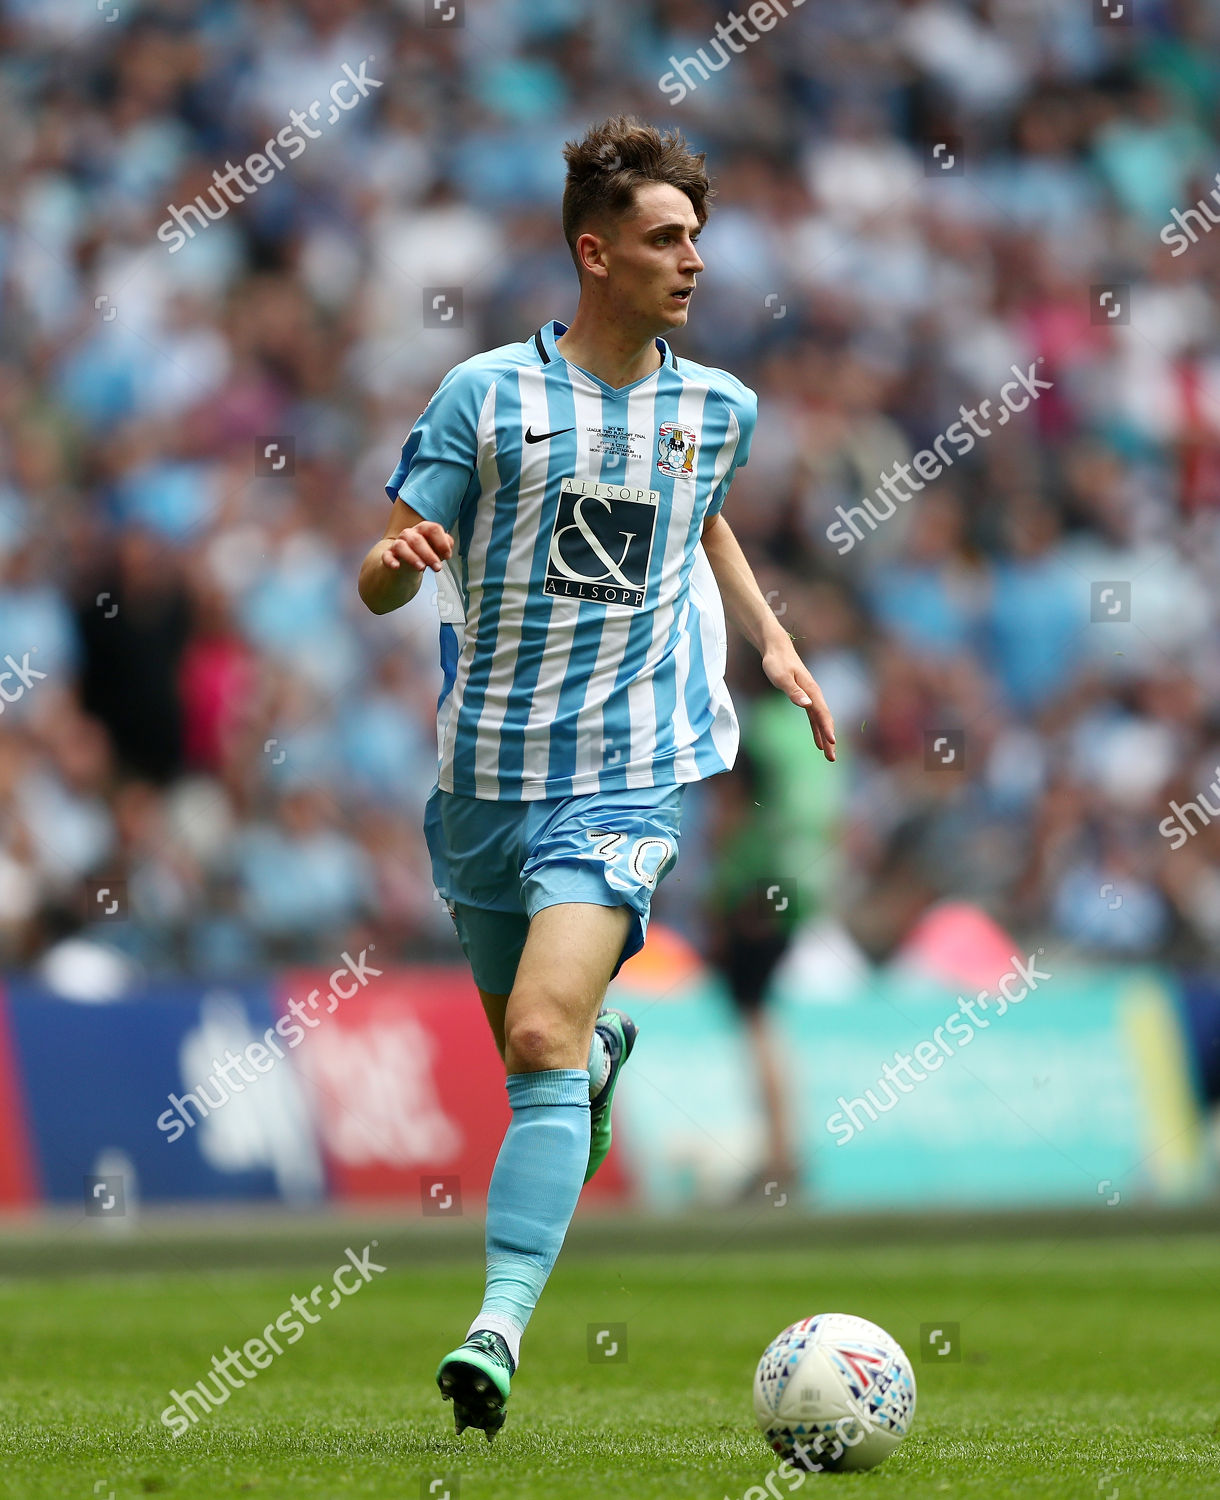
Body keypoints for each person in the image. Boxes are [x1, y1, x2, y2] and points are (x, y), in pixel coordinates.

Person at [356, 115, 836, 1441]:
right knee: (550, 1062)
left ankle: (495, 1329)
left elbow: (702, 512)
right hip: (484, 786)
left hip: (625, 778)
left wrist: (773, 637)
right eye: (666, 238)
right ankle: (595, 1064)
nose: (694, 259)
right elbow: (384, 563)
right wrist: (394, 570)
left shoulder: (718, 405)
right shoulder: (486, 398)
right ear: (595, 251)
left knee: (532, 1038)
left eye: (698, 236)